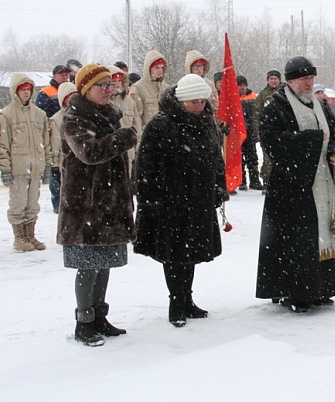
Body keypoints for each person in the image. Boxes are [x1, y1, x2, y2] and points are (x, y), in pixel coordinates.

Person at [256, 56, 335, 313]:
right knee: (299, 239)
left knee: (322, 234)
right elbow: (272, 142)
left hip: (321, 179)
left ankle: (323, 287)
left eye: (311, 78)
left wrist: (333, 151)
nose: (309, 83)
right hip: (291, 184)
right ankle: (296, 291)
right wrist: (311, 140)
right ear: (290, 81)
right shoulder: (276, 106)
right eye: (303, 78)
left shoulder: (319, 105)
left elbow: (331, 134)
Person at [134, 74, 228, 327]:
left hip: (199, 199)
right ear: (182, 100)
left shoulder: (206, 123)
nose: (199, 106)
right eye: (194, 102)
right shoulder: (161, 125)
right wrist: (151, 199)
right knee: (174, 254)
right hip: (171, 201)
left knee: (192, 252)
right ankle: (176, 301)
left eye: (202, 101)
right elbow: (146, 167)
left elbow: (215, 158)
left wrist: (219, 187)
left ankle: (187, 299)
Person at [59, 63, 137, 346]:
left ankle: (100, 316)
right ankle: (84, 322)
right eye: (101, 86)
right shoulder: (74, 118)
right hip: (86, 205)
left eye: (110, 85)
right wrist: (122, 138)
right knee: (88, 265)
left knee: (105, 262)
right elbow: (89, 153)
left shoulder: (109, 115)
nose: (108, 90)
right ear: (85, 89)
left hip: (110, 202)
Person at [0, 73, 52, 251]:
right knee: (18, 204)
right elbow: (2, 144)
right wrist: (4, 168)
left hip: (35, 167)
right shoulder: (6, 115)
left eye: (28, 89)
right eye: (22, 90)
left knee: (33, 204)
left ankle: (30, 235)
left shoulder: (40, 114)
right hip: (17, 169)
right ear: (15, 92)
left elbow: (46, 142)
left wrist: (47, 164)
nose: (26, 93)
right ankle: (19, 237)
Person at [48, 82, 77, 214]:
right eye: (69, 96)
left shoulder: (83, 116)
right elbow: (55, 145)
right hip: (65, 162)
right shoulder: (56, 120)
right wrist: (55, 166)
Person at [253, 70, 282, 192]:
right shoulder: (263, 95)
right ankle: (266, 181)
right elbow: (256, 114)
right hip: (268, 131)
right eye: (271, 79)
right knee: (267, 158)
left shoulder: (285, 92)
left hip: (282, 130)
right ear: (267, 80)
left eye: (276, 78)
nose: (273, 81)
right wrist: (258, 130)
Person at [108, 65, 142, 163]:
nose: (118, 85)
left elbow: (137, 127)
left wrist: (137, 149)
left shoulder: (130, 102)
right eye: (114, 81)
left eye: (119, 81)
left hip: (128, 154)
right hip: (109, 155)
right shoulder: (102, 102)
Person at [129, 50, 168, 131]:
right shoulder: (138, 88)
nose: (160, 70)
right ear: (149, 68)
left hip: (165, 136)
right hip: (148, 135)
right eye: (157, 67)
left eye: (162, 67)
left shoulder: (166, 88)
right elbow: (136, 117)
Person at [238, 74, 262, 191]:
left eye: (243, 85)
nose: (242, 88)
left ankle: (255, 181)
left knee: (252, 159)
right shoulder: (232, 97)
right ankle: (241, 181)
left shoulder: (253, 97)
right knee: (239, 160)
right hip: (238, 134)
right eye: (239, 85)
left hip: (250, 133)